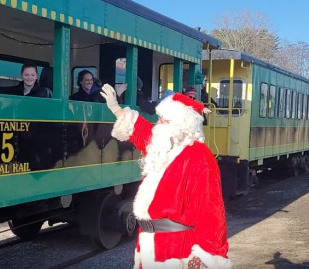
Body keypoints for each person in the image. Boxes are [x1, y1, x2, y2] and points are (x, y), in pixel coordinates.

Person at [100, 84, 233, 268]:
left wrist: (206, 257)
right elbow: (141, 130)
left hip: (177, 249)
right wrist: (116, 108)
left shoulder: (197, 157)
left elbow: (211, 212)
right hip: (149, 246)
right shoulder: (164, 146)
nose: (158, 123)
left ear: (180, 125)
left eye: (164, 120)